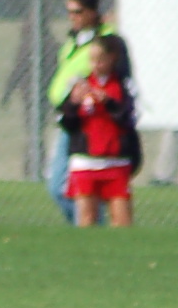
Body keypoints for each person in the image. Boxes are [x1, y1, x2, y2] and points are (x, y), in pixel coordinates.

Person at [44, 0, 112, 222]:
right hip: (68, 118)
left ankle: (90, 229)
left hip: (88, 121)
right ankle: (87, 228)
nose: (72, 17)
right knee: (60, 187)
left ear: (92, 12)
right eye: (69, 12)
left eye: (77, 12)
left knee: (71, 188)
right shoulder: (73, 41)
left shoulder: (105, 41)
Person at [60, 31, 141, 228]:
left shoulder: (122, 86)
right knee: (87, 220)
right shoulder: (81, 85)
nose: (95, 65)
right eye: (92, 60)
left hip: (115, 162)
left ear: (111, 58)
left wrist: (108, 102)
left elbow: (129, 118)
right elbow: (66, 122)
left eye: (100, 59)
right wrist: (73, 103)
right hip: (85, 162)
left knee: (122, 222)